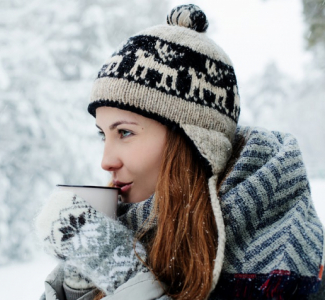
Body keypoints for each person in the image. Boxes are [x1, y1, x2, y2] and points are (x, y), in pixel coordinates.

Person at [35, 4, 325, 300]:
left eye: (125, 132)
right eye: (103, 134)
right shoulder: (130, 226)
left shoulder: (283, 255)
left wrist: (126, 281)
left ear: (192, 141)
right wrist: (79, 283)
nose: (106, 161)